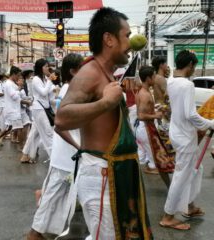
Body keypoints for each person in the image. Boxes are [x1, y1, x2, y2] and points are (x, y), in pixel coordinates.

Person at [55, 8, 153, 239]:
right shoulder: (90, 72)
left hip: (115, 172)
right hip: (102, 174)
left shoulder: (107, 73)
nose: (131, 42)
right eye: (127, 35)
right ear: (109, 39)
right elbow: (61, 118)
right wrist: (106, 102)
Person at [27, 53, 83, 240]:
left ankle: (43, 229)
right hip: (67, 154)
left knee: (59, 195)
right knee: (54, 196)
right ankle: (35, 233)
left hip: (70, 154)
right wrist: (79, 146)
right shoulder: (69, 91)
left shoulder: (71, 89)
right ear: (74, 71)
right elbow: (61, 126)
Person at [159, 50, 214, 230]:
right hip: (185, 136)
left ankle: (189, 206)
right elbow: (191, 115)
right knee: (181, 176)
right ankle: (168, 216)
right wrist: (210, 123)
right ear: (190, 65)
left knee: (195, 170)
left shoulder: (172, 81)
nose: (193, 70)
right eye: (194, 67)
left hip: (178, 133)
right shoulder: (187, 85)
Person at [135, 66, 174, 188]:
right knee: (160, 162)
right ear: (148, 78)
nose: (155, 79)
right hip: (146, 128)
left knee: (161, 160)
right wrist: (156, 115)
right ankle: (171, 189)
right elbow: (141, 115)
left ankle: (171, 187)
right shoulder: (145, 95)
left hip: (147, 128)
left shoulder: (143, 92)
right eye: (153, 77)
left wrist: (155, 110)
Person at [0, 66, 23, 149]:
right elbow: (14, 96)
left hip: (14, 109)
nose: (19, 77)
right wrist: (19, 88)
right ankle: (22, 147)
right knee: (18, 128)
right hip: (11, 109)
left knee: (10, 128)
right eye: (18, 75)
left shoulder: (11, 83)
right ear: (13, 74)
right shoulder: (8, 84)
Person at [31, 59, 54, 156]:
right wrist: (49, 80)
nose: (47, 68)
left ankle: (29, 155)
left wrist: (50, 81)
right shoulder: (36, 79)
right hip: (39, 108)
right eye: (45, 66)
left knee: (37, 133)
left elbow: (50, 91)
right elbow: (43, 92)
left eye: (48, 66)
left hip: (45, 108)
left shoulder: (44, 78)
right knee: (48, 133)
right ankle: (53, 156)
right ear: (41, 68)